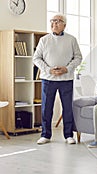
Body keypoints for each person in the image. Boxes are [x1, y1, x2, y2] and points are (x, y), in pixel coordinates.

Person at [33, 14, 82, 145]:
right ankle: (45, 135)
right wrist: (48, 69)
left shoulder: (71, 39)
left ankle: (68, 135)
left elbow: (78, 58)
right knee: (46, 108)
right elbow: (36, 58)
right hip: (48, 79)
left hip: (66, 79)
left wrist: (67, 68)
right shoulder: (44, 40)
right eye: (53, 21)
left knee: (67, 108)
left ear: (64, 25)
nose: (54, 23)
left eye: (58, 21)